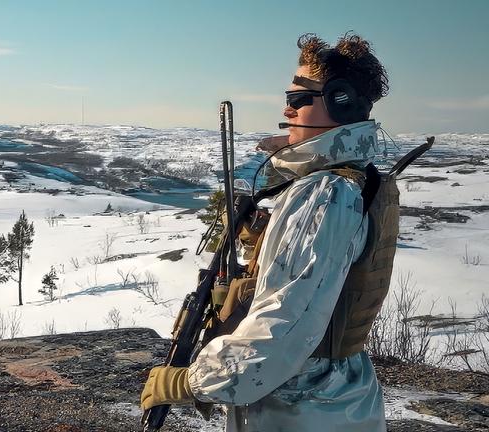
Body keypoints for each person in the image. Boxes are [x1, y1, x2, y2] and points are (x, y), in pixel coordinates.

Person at [141, 33, 392, 431]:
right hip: (329, 402)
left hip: (300, 408)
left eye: (298, 99)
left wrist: (191, 381)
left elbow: (286, 325)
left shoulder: (326, 194)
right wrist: (265, 237)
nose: (286, 109)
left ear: (339, 102)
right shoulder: (358, 180)